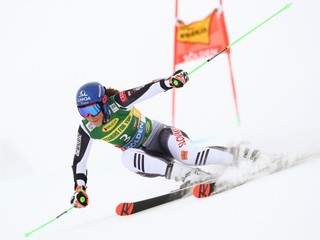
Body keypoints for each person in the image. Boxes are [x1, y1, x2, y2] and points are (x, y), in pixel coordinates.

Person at [70, 70, 259, 208]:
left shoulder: (118, 103)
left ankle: (245, 155)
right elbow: (80, 161)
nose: (89, 116)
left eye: (92, 109)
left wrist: (169, 82)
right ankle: (191, 175)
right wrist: (80, 189)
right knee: (127, 158)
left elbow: (144, 90)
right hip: (149, 157)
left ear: (104, 103)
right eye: (83, 111)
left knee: (189, 155)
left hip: (162, 136)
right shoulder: (87, 128)